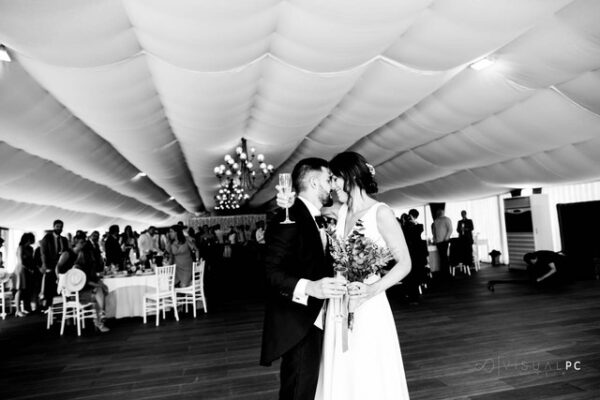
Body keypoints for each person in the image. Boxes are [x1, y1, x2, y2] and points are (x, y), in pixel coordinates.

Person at [315, 151, 411, 399]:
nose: (332, 185)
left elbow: (405, 263)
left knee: (367, 366)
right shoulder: (342, 212)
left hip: (368, 302)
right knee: (343, 366)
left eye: (335, 178)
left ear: (351, 176)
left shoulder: (381, 212)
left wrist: (372, 289)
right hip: (339, 303)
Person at [260, 157, 346, 400]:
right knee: (299, 389)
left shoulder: (315, 215)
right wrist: (310, 287)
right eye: (329, 179)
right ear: (314, 182)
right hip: (299, 320)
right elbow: (270, 273)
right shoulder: (288, 216)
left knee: (308, 387)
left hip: (317, 316)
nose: (332, 185)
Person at [39, 220, 70, 308]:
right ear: (53, 227)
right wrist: (45, 265)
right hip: (50, 266)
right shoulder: (47, 238)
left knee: (61, 287)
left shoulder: (64, 239)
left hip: (61, 266)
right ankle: (48, 307)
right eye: (57, 227)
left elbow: (66, 252)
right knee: (49, 288)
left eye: (61, 227)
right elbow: (43, 253)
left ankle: (62, 307)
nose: (59, 228)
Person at [14, 233, 36, 316]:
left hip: (28, 271)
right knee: (19, 290)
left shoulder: (30, 248)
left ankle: (26, 308)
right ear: (28, 239)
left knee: (26, 290)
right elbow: (21, 261)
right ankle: (17, 310)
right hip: (21, 270)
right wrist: (29, 269)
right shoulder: (20, 247)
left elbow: (32, 260)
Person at [432, 209, 452, 279]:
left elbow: (450, 229)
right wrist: (434, 239)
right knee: (442, 257)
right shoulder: (436, 221)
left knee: (444, 258)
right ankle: (444, 273)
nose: (439, 213)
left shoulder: (446, 219)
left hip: (444, 241)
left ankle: (446, 273)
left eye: (439, 212)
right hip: (439, 242)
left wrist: (446, 238)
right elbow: (434, 231)